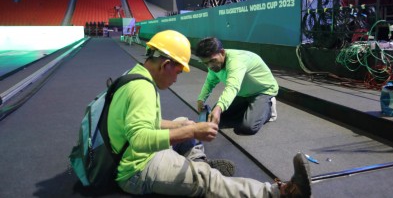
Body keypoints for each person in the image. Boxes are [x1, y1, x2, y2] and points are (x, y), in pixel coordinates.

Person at [108, 30, 312, 197]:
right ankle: (280, 193)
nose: (176, 80)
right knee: (208, 179)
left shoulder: (135, 75)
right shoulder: (143, 89)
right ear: (166, 65)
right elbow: (139, 139)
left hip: (258, 93)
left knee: (185, 122)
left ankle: (198, 163)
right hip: (136, 170)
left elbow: (231, 87)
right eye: (178, 73)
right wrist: (193, 132)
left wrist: (185, 126)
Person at [195, 37, 279, 135]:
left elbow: (232, 87)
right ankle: (250, 109)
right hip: (243, 93)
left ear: (222, 52)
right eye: (206, 63)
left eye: (212, 61)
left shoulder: (236, 61)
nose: (210, 66)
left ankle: (269, 109)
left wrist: (219, 107)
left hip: (262, 92)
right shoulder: (213, 65)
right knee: (214, 118)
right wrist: (201, 99)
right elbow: (210, 82)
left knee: (248, 127)